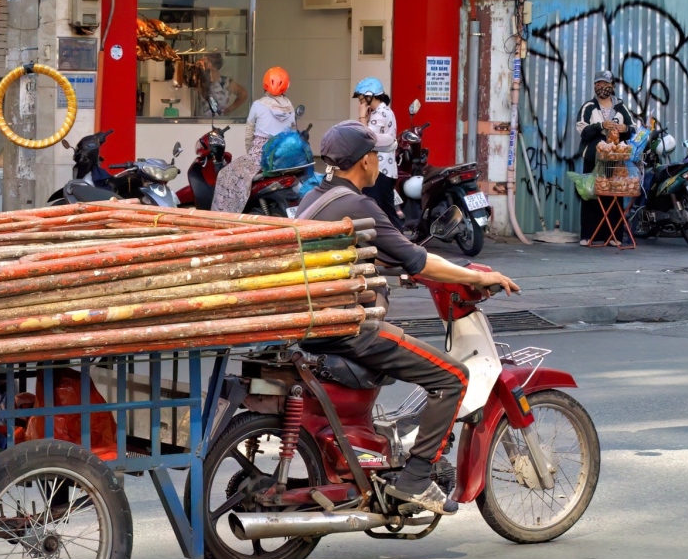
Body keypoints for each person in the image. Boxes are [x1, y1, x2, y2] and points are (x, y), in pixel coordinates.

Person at [296, 121, 520, 515]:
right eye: (376, 157)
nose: (379, 164)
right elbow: (419, 260)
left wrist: (389, 267)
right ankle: (416, 480)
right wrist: (479, 275)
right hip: (351, 330)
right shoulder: (359, 205)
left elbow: (366, 252)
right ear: (364, 161)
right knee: (452, 377)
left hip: (316, 323)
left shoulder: (315, 198)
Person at [211, 67, 295, 214]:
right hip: (285, 157)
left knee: (225, 175)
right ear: (287, 86)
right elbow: (293, 132)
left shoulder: (258, 105)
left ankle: (224, 215)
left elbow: (249, 134)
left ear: (265, 85)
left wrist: (251, 154)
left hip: (260, 156)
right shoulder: (290, 107)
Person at [575, 69, 633, 245]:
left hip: (614, 159)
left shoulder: (621, 108)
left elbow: (634, 129)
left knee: (614, 195)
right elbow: (582, 130)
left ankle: (614, 236)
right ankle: (587, 235)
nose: (602, 87)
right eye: (599, 84)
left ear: (612, 86)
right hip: (593, 158)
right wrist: (600, 125)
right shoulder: (588, 107)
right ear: (594, 86)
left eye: (606, 84)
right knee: (591, 195)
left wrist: (626, 129)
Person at [353, 77, 401, 228]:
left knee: (377, 210)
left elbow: (366, 137)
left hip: (379, 170)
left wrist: (362, 116)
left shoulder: (381, 113)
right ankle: (398, 239)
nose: (360, 103)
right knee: (385, 209)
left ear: (369, 96)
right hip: (383, 169)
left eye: (361, 99)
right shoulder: (380, 112)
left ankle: (397, 242)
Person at [198, 53, 248, 117]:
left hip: (220, 121)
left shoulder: (224, 82)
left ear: (211, 64)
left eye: (205, 61)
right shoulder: (199, 81)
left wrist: (229, 109)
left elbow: (243, 94)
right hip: (201, 122)